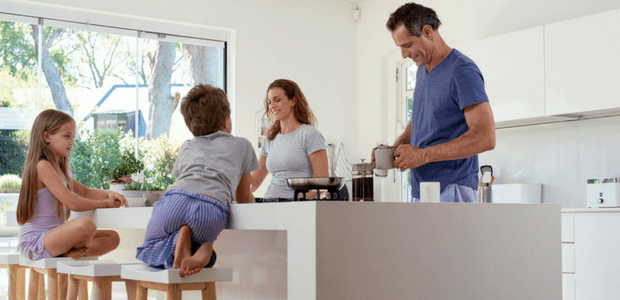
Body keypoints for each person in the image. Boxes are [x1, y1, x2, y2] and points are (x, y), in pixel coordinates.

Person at [136, 84, 258, 277]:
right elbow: (243, 197)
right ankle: (203, 251)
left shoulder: (187, 146)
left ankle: (184, 242)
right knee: (197, 243)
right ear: (227, 121)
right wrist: (254, 201)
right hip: (211, 207)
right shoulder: (242, 145)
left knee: (149, 248)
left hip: (174, 201)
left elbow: (184, 178)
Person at [379, 2, 496, 202]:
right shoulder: (422, 71)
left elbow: (486, 137)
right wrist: (395, 149)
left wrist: (422, 155)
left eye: (407, 45)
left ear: (428, 31)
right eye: (400, 47)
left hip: (452, 188)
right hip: (422, 189)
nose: (404, 54)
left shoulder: (461, 70)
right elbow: (422, 120)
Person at [17, 109, 128, 262]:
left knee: (112, 238)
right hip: (36, 242)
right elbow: (72, 203)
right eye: (67, 136)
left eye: (73, 136)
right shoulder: (42, 166)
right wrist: (105, 204)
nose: (72, 142)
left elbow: (86, 192)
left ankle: (69, 252)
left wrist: (109, 194)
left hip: (56, 236)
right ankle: (67, 252)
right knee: (86, 225)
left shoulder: (60, 171)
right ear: (47, 137)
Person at [251, 79, 329, 199]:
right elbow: (254, 183)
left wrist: (292, 200)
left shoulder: (309, 135)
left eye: (277, 100)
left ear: (293, 101)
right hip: (270, 203)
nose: (272, 106)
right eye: (269, 102)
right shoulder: (269, 140)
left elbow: (323, 187)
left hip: (296, 207)